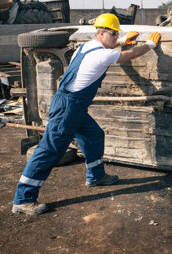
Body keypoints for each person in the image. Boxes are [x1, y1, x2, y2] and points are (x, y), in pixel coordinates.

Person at [12, 13, 161, 215]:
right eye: (113, 34)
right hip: (68, 107)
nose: (116, 38)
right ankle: (23, 199)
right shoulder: (102, 54)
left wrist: (122, 41)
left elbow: (108, 49)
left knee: (94, 135)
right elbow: (128, 55)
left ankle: (95, 176)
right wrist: (149, 46)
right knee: (50, 150)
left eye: (118, 35)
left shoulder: (85, 47)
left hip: (73, 105)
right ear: (101, 33)